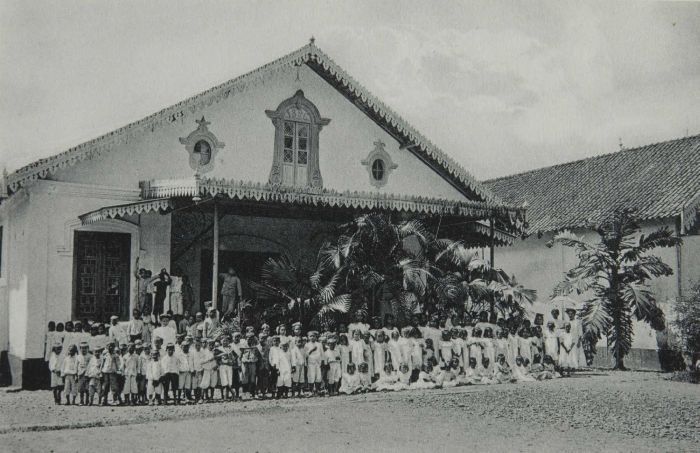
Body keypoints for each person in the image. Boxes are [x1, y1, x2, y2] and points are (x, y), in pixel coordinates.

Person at [240, 334, 260, 399]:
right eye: (248, 338)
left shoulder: (255, 347)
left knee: (252, 378)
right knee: (245, 377)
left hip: (253, 363)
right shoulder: (243, 346)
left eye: (251, 338)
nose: (249, 339)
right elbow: (240, 355)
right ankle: (244, 393)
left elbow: (257, 355)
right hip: (245, 363)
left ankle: (252, 393)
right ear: (246, 338)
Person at [305, 331, 324, 395]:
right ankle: (311, 390)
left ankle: (317, 390)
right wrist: (311, 350)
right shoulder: (307, 345)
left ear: (316, 337)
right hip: (311, 363)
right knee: (311, 376)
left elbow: (322, 353)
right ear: (308, 337)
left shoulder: (319, 344)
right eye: (311, 336)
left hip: (318, 363)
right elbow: (306, 355)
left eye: (314, 336)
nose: (312, 337)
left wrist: (323, 361)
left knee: (318, 376)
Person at [76, 341, 92, 406]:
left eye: (85, 348)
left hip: (88, 374)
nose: (84, 349)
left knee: (87, 388)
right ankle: (81, 401)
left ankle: (87, 400)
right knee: (81, 388)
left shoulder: (91, 356)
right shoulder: (78, 356)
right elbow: (76, 365)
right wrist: (76, 374)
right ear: (80, 348)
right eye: (82, 348)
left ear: (88, 348)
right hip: (80, 374)